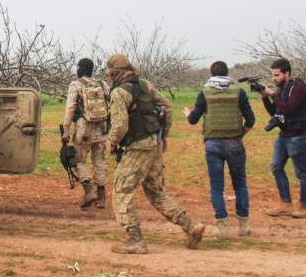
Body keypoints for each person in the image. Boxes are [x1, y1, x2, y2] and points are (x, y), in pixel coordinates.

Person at [104, 54, 205, 254]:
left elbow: (120, 125)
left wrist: (110, 143)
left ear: (114, 71)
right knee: (156, 192)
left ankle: (135, 240)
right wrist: (163, 136)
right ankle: (190, 227)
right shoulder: (144, 85)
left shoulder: (119, 93)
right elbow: (167, 107)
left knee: (121, 192)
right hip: (153, 144)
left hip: (137, 148)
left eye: (109, 70)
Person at [182, 61, 256, 237]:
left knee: (217, 187)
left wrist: (187, 114)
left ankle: (222, 227)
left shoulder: (205, 92)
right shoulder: (239, 92)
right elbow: (251, 120)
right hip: (235, 142)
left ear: (211, 74)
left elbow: (193, 120)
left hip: (213, 144)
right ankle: (244, 226)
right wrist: (240, 134)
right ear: (227, 73)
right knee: (240, 185)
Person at [260, 58, 306, 218]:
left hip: (297, 136)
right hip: (283, 135)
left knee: (301, 173)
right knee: (276, 167)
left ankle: (304, 207)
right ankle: (286, 204)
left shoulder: (298, 87)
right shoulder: (282, 89)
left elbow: (289, 108)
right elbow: (276, 112)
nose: (274, 78)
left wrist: (273, 94)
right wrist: (264, 97)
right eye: (272, 75)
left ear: (287, 73)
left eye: (277, 75)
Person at [61, 58, 110, 209]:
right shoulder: (103, 84)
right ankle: (101, 198)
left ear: (81, 68)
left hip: (83, 129)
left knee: (79, 160)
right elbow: (112, 102)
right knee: (99, 162)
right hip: (101, 127)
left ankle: (89, 191)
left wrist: (66, 130)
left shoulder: (76, 85)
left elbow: (70, 108)